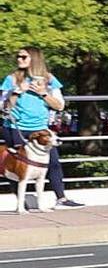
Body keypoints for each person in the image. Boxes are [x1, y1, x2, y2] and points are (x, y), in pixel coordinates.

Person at [2, 48, 79, 208]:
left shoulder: (49, 79)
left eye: (23, 57)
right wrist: (16, 92)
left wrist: (44, 93)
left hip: (41, 129)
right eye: (18, 56)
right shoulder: (11, 79)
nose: (19, 59)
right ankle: (21, 203)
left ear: (34, 59)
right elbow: (4, 108)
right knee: (17, 165)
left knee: (53, 162)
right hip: (16, 128)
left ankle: (61, 199)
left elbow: (59, 106)